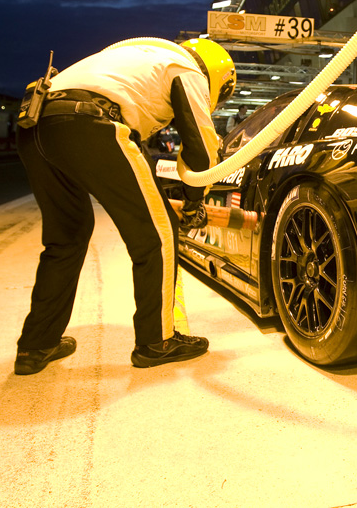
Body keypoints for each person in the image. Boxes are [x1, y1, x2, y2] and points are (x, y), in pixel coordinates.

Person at [13, 37, 235, 374]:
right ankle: (157, 342)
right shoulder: (186, 69)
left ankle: (35, 345)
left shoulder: (131, 59)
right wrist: (194, 204)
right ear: (218, 77)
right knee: (158, 235)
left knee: (66, 237)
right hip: (91, 122)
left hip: (35, 125)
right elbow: (202, 149)